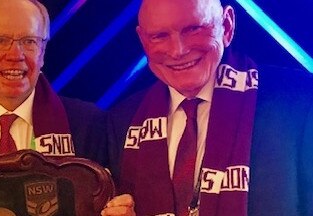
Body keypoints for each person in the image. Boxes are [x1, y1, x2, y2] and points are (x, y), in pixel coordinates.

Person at [102, 0, 313, 215]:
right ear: (143, 40)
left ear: (227, 26)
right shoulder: (121, 122)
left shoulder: (300, 102)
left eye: (193, 29)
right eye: (160, 36)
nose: (177, 51)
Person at [0, 0, 108, 177]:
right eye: (0, 41)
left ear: (42, 51)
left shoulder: (90, 127)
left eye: (29, 41)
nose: (15, 55)